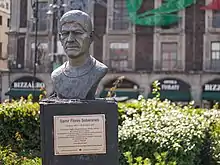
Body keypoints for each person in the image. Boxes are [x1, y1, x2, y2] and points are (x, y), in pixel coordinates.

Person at [51, 10, 108, 99]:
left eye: (77, 33)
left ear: (91, 37)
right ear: (60, 38)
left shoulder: (99, 70)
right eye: (65, 34)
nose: (70, 39)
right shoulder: (56, 75)